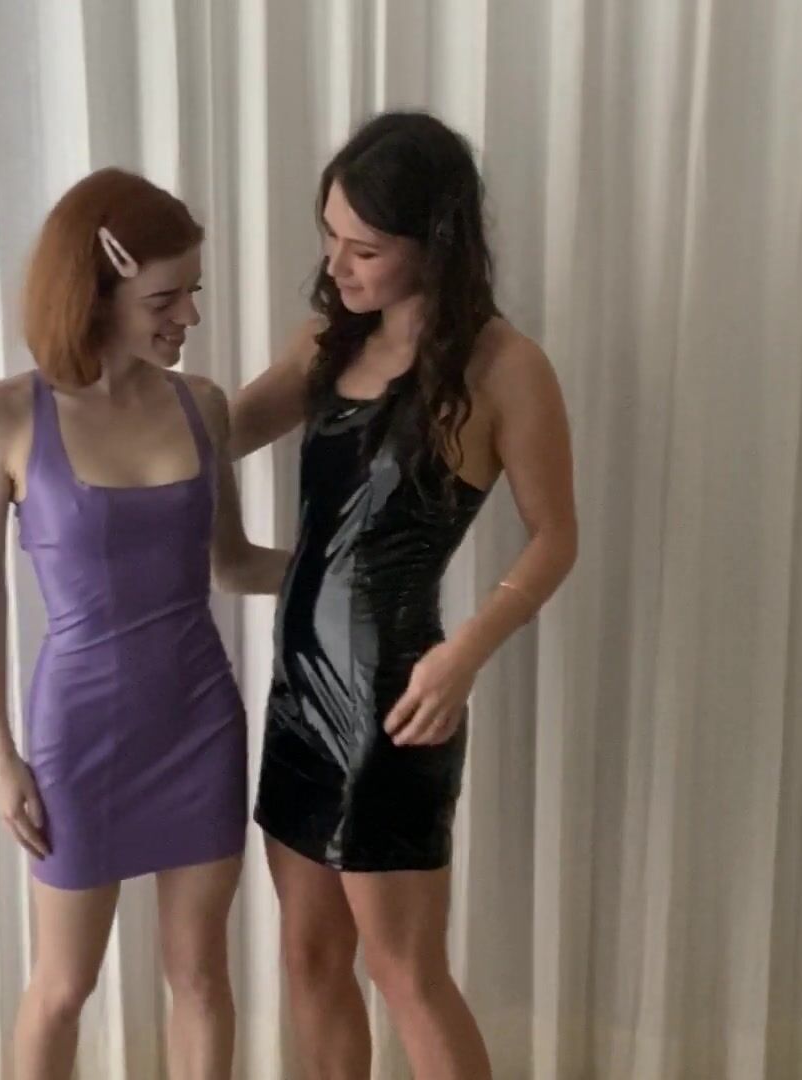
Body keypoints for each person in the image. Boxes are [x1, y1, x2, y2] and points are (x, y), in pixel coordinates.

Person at [229, 111, 579, 1079]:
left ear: (438, 243)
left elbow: (556, 536)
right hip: (296, 696)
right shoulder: (325, 342)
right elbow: (209, 436)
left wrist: (466, 653)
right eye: (330, 237)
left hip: (397, 699)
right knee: (307, 959)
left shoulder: (506, 368)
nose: (336, 265)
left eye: (365, 249)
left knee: (404, 971)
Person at [0, 168, 287, 1080]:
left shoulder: (201, 404)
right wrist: (1, 755)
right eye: (164, 299)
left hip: (199, 721)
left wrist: (348, 572)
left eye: (193, 292)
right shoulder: (3, 415)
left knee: (202, 977)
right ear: (95, 293)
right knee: (63, 987)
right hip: (80, 732)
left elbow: (232, 563)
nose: (189, 316)